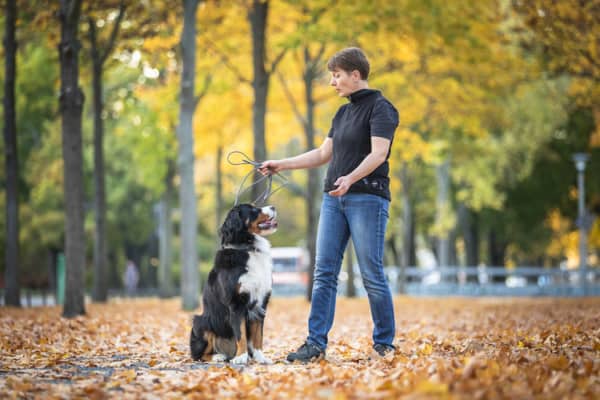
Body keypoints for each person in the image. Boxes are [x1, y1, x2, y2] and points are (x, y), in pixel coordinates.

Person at [259, 47, 399, 362]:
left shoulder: (381, 108)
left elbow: (379, 154)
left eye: (336, 75)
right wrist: (281, 163)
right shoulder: (342, 113)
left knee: (371, 273)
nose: (333, 82)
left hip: (367, 198)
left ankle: (384, 344)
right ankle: (315, 344)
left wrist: (350, 178)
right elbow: (323, 155)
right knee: (323, 273)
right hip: (334, 200)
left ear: (355, 74)